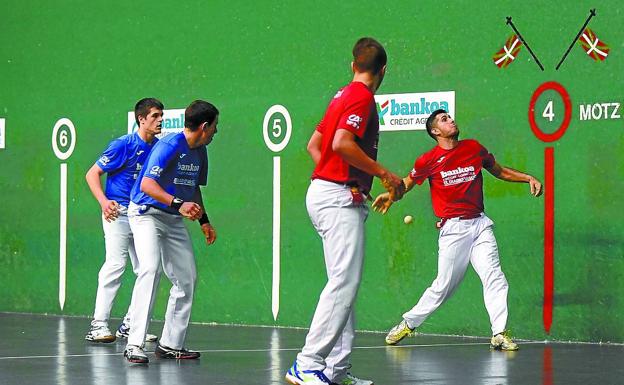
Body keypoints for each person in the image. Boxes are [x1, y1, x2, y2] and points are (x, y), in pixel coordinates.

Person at [286, 37, 404, 385]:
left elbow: (315, 145)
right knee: (343, 283)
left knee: (344, 284)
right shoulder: (362, 97)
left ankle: (336, 371)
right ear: (383, 70)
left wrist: (345, 175)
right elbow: (340, 143)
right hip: (336, 199)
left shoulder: (342, 95)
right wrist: (382, 173)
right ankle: (306, 364)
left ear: (354, 65)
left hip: (328, 192)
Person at [375, 109, 543, 351]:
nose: (451, 120)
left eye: (450, 117)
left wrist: (528, 178)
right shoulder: (428, 160)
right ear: (435, 131)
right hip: (453, 229)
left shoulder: (473, 148)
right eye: (444, 120)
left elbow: (500, 171)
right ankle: (409, 322)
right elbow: (406, 184)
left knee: (494, 276)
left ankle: (499, 333)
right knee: (444, 286)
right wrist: (392, 197)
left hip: (480, 224)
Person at [123, 100, 218, 364]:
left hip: (173, 219)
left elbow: (193, 188)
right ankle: (134, 344)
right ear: (204, 126)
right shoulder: (169, 145)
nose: (215, 132)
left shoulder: (200, 152)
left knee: (187, 277)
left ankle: (170, 344)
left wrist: (204, 221)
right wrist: (179, 203)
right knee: (150, 269)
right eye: (214, 127)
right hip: (146, 214)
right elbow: (147, 184)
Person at [84, 98, 164, 343]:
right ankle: (98, 324)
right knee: (115, 265)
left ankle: (131, 324)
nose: (160, 120)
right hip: (117, 214)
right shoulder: (123, 145)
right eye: (155, 116)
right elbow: (92, 173)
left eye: (162, 115)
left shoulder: (159, 148)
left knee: (148, 269)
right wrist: (104, 202)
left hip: (141, 216)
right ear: (141, 119)